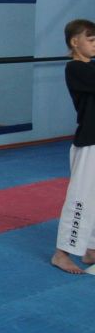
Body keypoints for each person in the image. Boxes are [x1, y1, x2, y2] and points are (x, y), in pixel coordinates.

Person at [52, 18, 95, 274]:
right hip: (89, 143)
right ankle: (61, 254)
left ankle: (91, 248)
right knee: (80, 198)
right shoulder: (76, 69)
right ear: (75, 42)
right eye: (91, 39)